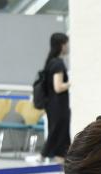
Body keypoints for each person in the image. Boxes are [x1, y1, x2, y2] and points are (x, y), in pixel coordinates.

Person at [40, 32, 71, 163]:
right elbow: (58, 87)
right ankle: (43, 155)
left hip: (52, 105)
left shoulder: (50, 62)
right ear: (61, 45)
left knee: (60, 138)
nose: (68, 47)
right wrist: (71, 82)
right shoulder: (58, 64)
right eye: (66, 44)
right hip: (59, 106)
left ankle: (62, 170)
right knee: (60, 137)